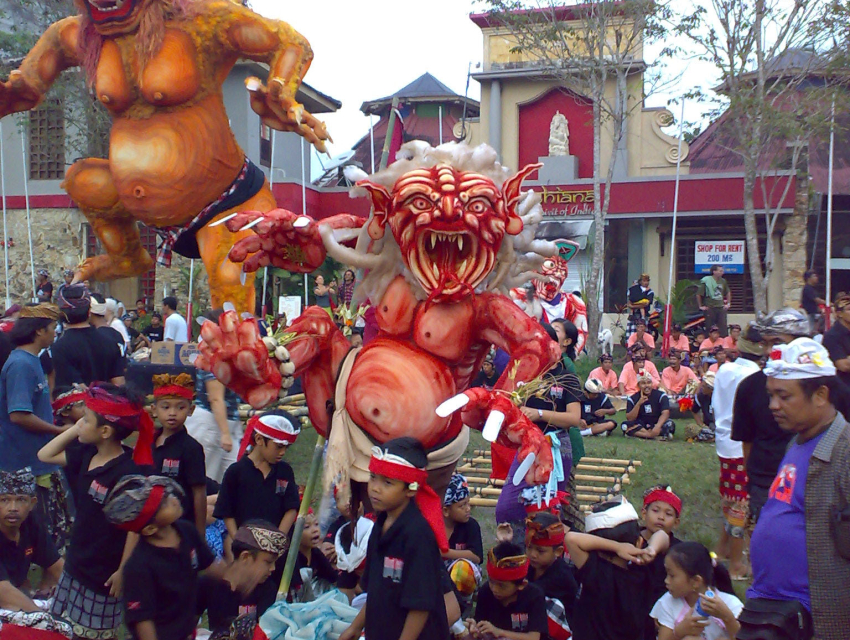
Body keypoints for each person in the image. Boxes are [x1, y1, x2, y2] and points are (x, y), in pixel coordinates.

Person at [740, 338, 850, 640]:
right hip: (773, 612)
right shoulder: (797, 441)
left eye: (783, 396)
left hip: (818, 620)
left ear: (820, 395)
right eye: (770, 395)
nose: (773, 405)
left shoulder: (844, 451)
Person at [37, 383, 153, 640]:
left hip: (103, 572)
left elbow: (134, 526)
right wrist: (75, 430)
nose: (81, 423)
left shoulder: (127, 472)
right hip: (77, 561)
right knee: (64, 629)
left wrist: (123, 570)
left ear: (105, 431)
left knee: (95, 634)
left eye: (86, 419)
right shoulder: (87, 453)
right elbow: (45, 455)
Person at [339, 437, 450, 640]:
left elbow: (421, 605)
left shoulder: (418, 535)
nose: (375, 488)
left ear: (411, 489)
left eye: (387, 482)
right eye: (373, 477)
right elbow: (376, 590)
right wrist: (355, 627)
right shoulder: (380, 526)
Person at [103, 475, 221, 640]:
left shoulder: (186, 531)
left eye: (168, 495)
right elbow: (144, 625)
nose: (173, 499)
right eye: (164, 503)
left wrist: (239, 576)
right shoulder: (138, 568)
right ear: (150, 529)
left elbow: (214, 568)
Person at [495, 324, 582, 536]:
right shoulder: (527, 376)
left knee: (550, 508)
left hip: (556, 447)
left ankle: (551, 556)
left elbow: (574, 418)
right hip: (529, 446)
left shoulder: (566, 377)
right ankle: (519, 552)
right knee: (507, 506)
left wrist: (539, 414)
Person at [214, 411, 301, 614]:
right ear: (260, 440)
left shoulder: (284, 472)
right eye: (278, 447)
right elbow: (227, 511)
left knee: (279, 599)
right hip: (250, 555)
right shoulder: (236, 472)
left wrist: (277, 541)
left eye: (286, 448)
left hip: (278, 554)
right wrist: (240, 540)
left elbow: (291, 508)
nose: (282, 453)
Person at [0, 303, 70, 549]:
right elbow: (19, 415)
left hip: (34, 458)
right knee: (34, 530)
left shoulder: (31, 360)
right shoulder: (21, 364)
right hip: (22, 461)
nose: (54, 333)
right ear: (39, 331)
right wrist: (59, 432)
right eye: (52, 327)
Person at [732, 309, 808, 529]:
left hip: (812, 479)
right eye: (766, 344)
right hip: (765, 480)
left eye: (777, 342)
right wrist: (752, 480)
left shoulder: (823, 386)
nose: (769, 350)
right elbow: (747, 441)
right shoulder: (750, 387)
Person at [566, 497, 668, 640]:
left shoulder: (595, 570)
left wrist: (617, 547)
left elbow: (571, 538)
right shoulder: (642, 569)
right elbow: (662, 535)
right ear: (639, 542)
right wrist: (651, 549)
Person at [711, 328, 762, 581]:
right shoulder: (757, 376)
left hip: (723, 441)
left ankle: (721, 552)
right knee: (741, 505)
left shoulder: (724, 369)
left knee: (732, 499)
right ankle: (736, 565)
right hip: (744, 445)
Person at [196, 521, 288, 639]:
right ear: (245, 557)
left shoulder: (267, 588)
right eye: (268, 562)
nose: (273, 568)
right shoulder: (209, 584)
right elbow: (188, 625)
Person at [186, 313, 244, 484]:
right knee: (206, 482)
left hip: (226, 424)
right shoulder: (213, 357)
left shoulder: (226, 355)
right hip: (211, 424)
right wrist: (225, 433)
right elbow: (216, 398)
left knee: (230, 482)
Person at [151, 373, 207, 537]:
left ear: (191, 410)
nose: (172, 413)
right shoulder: (148, 443)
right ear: (154, 410)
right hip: (150, 523)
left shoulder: (191, 448)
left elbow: (199, 492)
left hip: (180, 526)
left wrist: (199, 533)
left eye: (180, 407)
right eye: (165, 407)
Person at [0, 468, 63, 612]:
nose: (13, 508)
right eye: (4, 500)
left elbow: (58, 567)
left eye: (21, 500)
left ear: (32, 503)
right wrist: (43, 618)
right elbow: (3, 591)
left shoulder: (30, 523)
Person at [650, 541, 742, 640]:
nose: (666, 580)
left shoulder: (730, 603)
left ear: (696, 581)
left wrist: (727, 617)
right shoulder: (668, 602)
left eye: (672, 576)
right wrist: (679, 632)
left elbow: (744, 637)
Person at [464, 542, 546, 640]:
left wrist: (499, 632)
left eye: (501, 586)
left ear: (521, 585)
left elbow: (534, 637)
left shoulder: (534, 596)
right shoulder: (486, 591)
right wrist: (475, 631)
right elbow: (482, 629)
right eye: (491, 581)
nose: (494, 589)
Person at [53, 285, 125, 388]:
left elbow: (74, 389)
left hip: (78, 402)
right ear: (89, 311)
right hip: (106, 402)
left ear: (61, 314)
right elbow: (119, 384)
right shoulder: (110, 342)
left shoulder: (60, 348)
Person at [639, 486, 682, 640]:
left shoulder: (678, 550)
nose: (661, 517)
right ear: (644, 513)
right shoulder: (631, 539)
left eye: (668, 514)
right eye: (655, 510)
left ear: (676, 522)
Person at [525, 511, 578, 639]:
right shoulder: (532, 566)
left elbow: (527, 595)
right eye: (529, 547)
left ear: (558, 551)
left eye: (540, 551)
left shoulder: (560, 575)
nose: (533, 554)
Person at [442, 474, 483, 600]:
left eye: (468, 503)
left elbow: (476, 556)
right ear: (446, 511)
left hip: (463, 571)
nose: (468, 509)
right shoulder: (433, 526)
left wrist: (446, 553)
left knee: (462, 570)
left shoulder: (471, 525)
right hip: (439, 572)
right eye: (462, 506)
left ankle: (463, 602)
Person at [288, 511, 337, 602]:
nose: (315, 530)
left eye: (316, 524)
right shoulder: (290, 559)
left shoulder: (316, 553)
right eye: (307, 527)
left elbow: (333, 578)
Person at [622, 371, 675, 440]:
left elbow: (666, 413)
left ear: (652, 384)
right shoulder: (632, 398)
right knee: (625, 425)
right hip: (641, 425)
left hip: (656, 423)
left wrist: (658, 426)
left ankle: (642, 435)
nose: (647, 386)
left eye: (649, 383)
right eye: (643, 383)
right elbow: (630, 418)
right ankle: (652, 436)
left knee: (670, 424)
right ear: (638, 385)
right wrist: (638, 404)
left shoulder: (661, 395)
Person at [822, 291, 850, 388]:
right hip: (842, 388)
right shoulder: (832, 336)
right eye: (849, 309)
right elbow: (843, 365)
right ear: (839, 314)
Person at [697, 266, 731, 337]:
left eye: (722, 271)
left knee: (723, 328)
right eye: (720, 271)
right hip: (710, 307)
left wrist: (728, 303)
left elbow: (728, 292)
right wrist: (700, 306)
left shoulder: (723, 281)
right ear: (714, 272)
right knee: (709, 327)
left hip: (721, 307)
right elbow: (699, 294)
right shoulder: (706, 280)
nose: (722, 272)